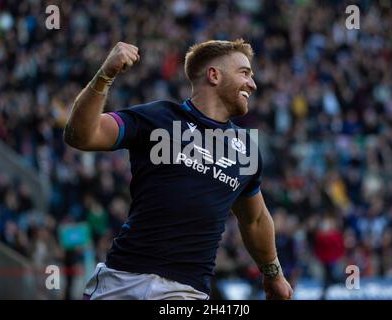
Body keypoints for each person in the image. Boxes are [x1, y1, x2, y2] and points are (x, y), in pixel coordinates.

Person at [64, 39, 293, 300]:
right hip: (120, 280)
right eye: (245, 73)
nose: (252, 84)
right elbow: (80, 136)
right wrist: (105, 75)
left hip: (185, 291)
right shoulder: (158, 117)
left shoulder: (245, 148)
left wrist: (273, 274)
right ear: (214, 75)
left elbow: (255, 220)